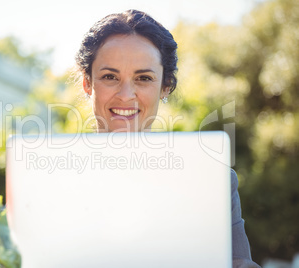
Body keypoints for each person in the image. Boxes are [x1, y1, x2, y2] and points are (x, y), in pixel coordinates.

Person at [75, 9, 261, 268]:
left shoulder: (211, 180)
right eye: (110, 77)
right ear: (87, 83)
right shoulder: (43, 176)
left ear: (165, 85)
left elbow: (240, 264)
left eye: (143, 78)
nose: (126, 94)